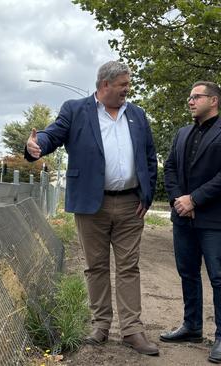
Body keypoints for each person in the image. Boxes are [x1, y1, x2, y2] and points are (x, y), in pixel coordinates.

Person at [24, 61, 159, 356]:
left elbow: (149, 156)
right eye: (123, 84)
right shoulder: (76, 109)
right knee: (95, 266)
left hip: (129, 204)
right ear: (105, 85)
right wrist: (37, 146)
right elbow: (53, 135)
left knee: (128, 266)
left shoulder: (136, 115)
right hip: (90, 204)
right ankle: (100, 325)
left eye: (128, 84)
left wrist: (147, 196)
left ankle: (132, 330)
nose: (128, 89)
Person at [161, 81, 221, 363]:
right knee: (188, 273)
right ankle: (192, 327)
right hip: (182, 217)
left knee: (219, 278)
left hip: (213, 218)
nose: (190, 101)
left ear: (214, 100)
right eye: (189, 96)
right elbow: (169, 168)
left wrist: (194, 199)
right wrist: (177, 201)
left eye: (196, 96)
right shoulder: (182, 133)